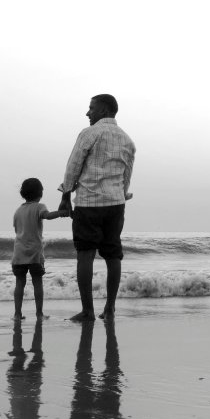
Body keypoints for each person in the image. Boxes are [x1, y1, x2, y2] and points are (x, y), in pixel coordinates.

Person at [58, 94, 136, 322]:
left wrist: (65, 193)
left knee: (85, 254)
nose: (87, 112)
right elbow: (126, 174)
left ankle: (88, 311)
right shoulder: (128, 140)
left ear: (103, 110)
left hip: (89, 203)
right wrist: (121, 195)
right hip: (116, 204)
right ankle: (110, 308)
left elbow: (74, 164)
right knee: (113, 255)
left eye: (91, 108)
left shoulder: (90, 133)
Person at [12, 177, 69, 319]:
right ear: (40, 193)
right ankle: (39, 313)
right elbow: (47, 216)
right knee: (37, 283)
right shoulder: (39, 207)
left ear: (23, 193)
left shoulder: (18, 211)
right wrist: (61, 213)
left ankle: (17, 314)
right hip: (35, 254)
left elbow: (17, 230)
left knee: (20, 283)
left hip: (18, 253)